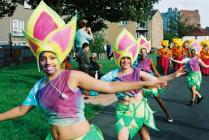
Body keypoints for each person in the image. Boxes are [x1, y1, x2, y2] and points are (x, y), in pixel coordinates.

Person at [0, 2, 167, 140]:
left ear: (59, 58)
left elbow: (109, 87)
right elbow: (22, 109)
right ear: (38, 60)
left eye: (52, 58)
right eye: (43, 58)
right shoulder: (39, 86)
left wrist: (145, 82)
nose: (47, 62)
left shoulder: (73, 76)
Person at [101, 29, 185, 140]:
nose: (125, 61)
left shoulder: (137, 72)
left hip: (139, 108)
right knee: (121, 137)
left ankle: (168, 114)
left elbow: (155, 79)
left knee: (144, 135)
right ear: (118, 59)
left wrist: (173, 75)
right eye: (123, 58)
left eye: (128, 58)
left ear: (131, 60)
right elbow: (100, 85)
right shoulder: (113, 74)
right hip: (123, 110)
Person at [137, 37, 173, 123]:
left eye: (144, 52)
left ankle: (168, 114)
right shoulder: (137, 61)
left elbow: (156, 73)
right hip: (141, 84)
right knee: (139, 101)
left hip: (151, 83)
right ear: (139, 53)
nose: (143, 54)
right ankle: (141, 117)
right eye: (142, 52)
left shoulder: (150, 61)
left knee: (159, 100)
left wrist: (163, 81)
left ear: (147, 52)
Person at [171, 41, 209, 106]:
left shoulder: (197, 59)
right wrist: (173, 59)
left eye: (190, 52)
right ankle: (199, 96)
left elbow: (205, 66)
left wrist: (173, 60)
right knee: (191, 88)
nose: (188, 53)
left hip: (197, 75)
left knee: (193, 88)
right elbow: (180, 62)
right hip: (190, 75)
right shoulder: (187, 59)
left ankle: (193, 101)